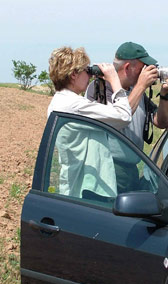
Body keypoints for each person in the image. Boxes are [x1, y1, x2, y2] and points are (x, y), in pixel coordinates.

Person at [47, 46, 155, 198]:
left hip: (79, 183)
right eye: (87, 71)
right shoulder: (74, 105)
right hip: (87, 187)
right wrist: (114, 80)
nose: (90, 76)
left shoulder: (60, 101)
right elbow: (123, 116)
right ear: (73, 75)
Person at [85, 42, 168, 192]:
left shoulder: (135, 91)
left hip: (130, 169)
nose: (147, 71)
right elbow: (119, 117)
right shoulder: (100, 89)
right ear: (127, 67)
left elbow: (161, 122)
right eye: (143, 67)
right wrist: (141, 85)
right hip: (108, 170)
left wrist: (164, 94)